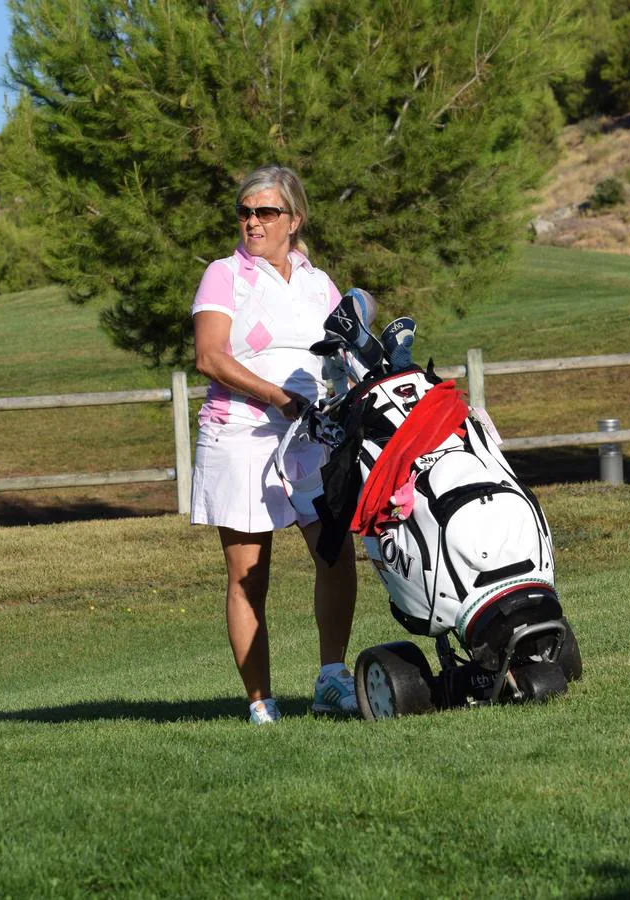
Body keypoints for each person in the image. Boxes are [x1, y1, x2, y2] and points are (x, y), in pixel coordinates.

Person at [190, 164, 360, 724]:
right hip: (240, 434)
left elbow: (343, 354)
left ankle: (332, 679)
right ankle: (261, 702)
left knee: (334, 552)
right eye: (245, 212)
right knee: (248, 573)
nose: (252, 222)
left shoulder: (319, 281)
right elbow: (211, 356)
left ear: (294, 219)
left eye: (265, 212)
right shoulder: (223, 274)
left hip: (312, 435)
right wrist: (277, 397)